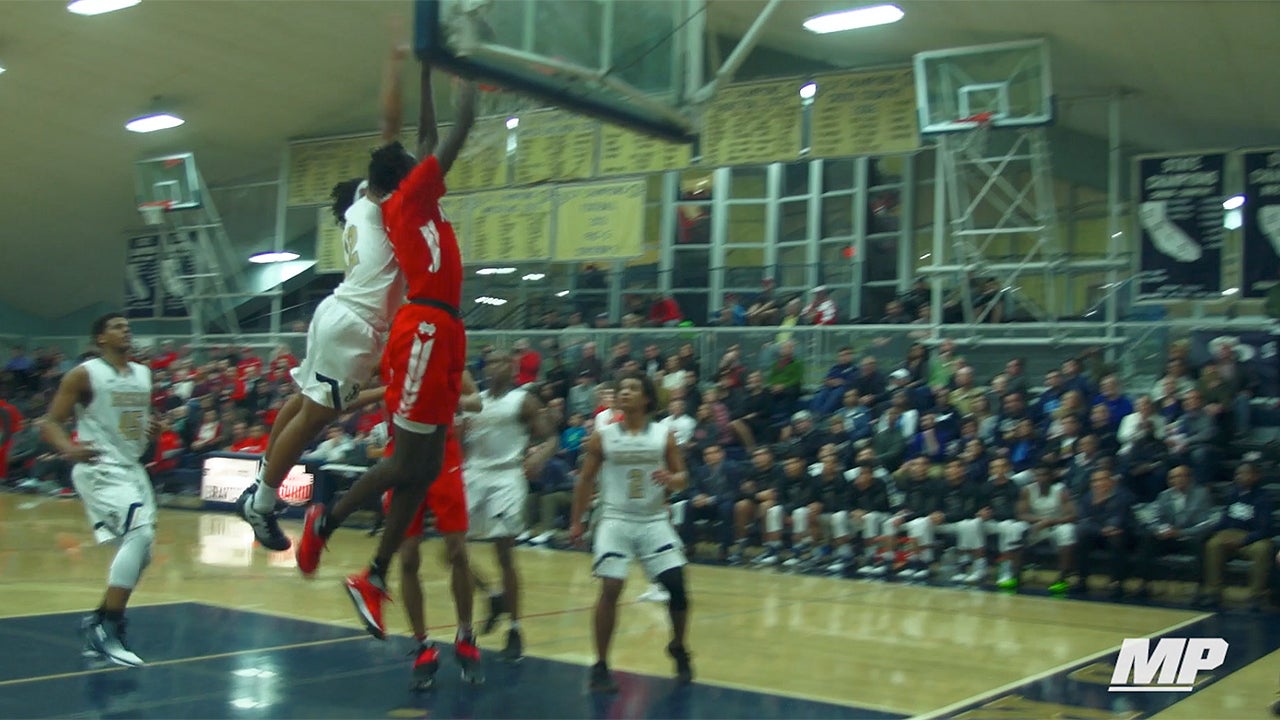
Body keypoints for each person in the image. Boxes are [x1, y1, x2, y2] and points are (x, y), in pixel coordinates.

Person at [294, 57, 479, 635]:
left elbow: (424, 138)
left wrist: (426, 74)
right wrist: (466, 71)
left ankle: (372, 578)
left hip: (446, 330)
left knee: (421, 472)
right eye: (418, 167)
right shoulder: (408, 201)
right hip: (422, 327)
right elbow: (459, 126)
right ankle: (327, 519)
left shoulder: (417, 194)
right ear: (404, 180)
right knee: (406, 463)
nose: (427, 165)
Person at [237, 35, 410, 551]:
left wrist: (393, 61)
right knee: (316, 416)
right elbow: (391, 134)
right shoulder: (391, 210)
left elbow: (388, 130)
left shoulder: (361, 203)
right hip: (354, 322)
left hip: (336, 311)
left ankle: (260, 485)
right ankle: (263, 501)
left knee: (306, 404)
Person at [38, 313, 156, 667]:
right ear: (100, 338)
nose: (126, 330)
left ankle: (97, 621)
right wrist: (69, 449)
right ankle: (109, 628)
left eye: (128, 326)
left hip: (133, 468)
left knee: (143, 552)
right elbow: (50, 422)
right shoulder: (85, 373)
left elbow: (128, 423)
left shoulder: (144, 374)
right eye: (118, 326)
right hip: (99, 465)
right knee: (140, 534)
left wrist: (147, 429)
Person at [570, 374, 693, 693]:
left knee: (677, 587)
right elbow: (585, 480)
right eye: (622, 388)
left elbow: (683, 477)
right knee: (611, 586)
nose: (624, 392)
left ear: (647, 400)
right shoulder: (603, 436)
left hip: (653, 519)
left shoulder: (664, 435)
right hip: (615, 517)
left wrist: (672, 479)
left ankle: (678, 646)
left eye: (632, 388)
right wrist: (576, 521)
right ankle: (600, 664)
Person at [388, 370, 485, 688]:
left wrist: (449, 398)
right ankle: (422, 644)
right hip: (402, 456)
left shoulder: (450, 359)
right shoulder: (389, 359)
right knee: (408, 558)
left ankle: (466, 634)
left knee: (457, 551)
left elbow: (476, 402)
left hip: (444, 456)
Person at [464, 350, 557, 662]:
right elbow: (461, 441)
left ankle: (515, 629)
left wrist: (540, 455)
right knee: (450, 551)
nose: (493, 366)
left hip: (507, 477)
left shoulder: (523, 400)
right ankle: (493, 596)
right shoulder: (474, 400)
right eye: (489, 362)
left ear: (513, 367)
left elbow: (551, 437)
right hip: (473, 475)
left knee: (504, 553)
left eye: (500, 361)